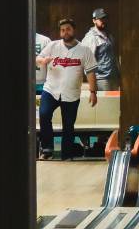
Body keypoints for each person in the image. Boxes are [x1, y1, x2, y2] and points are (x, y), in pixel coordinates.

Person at [36, 18, 97, 160]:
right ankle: (47, 149)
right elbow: (38, 58)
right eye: (62, 30)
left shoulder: (84, 50)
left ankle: (67, 154)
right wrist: (42, 61)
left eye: (68, 29)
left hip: (71, 93)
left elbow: (91, 72)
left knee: (68, 125)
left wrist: (93, 92)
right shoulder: (53, 46)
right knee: (44, 115)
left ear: (73, 30)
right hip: (51, 89)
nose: (65, 32)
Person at [81, 8, 120, 91]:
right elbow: (87, 61)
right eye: (100, 19)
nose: (103, 20)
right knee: (107, 103)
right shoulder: (91, 37)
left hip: (113, 78)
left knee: (115, 104)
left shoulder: (109, 35)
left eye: (104, 18)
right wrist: (92, 83)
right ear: (94, 20)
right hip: (101, 80)